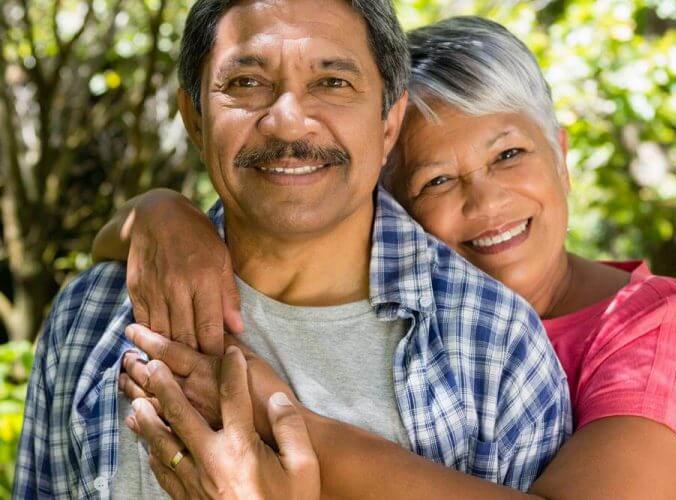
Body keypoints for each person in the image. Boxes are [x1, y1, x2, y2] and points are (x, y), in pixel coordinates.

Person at [98, 15, 676, 500]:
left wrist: (276, 420)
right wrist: (158, 213)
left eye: (509, 155)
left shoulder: (659, 326)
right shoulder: (399, 330)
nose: (485, 200)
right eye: (437, 180)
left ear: (562, 152)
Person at [13, 2, 571, 499]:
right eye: (247, 82)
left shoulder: (495, 345)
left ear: (388, 123)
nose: (288, 121)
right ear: (195, 119)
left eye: (332, 82)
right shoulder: (94, 315)